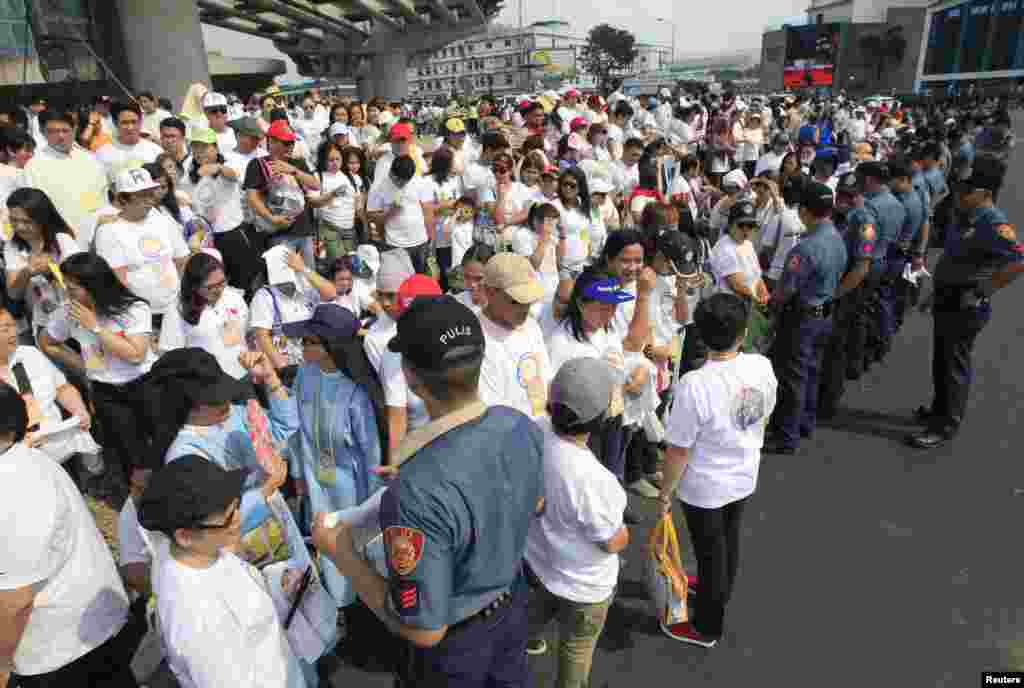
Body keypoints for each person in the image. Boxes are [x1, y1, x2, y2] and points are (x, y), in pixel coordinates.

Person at [312, 295, 544, 688]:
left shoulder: (416, 491)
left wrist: (339, 550)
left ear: (411, 376)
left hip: (457, 645)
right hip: (510, 606)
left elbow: (423, 629)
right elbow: (534, 504)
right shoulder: (518, 424)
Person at [657, 293, 778, 647]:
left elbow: (679, 448)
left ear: (703, 334)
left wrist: (665, 492)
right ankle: (719, 591)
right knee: (728, 539)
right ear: (741, 334)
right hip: (744, 470)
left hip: (705, 483)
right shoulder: (760, 366)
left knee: (710, 551)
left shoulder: (696, 383)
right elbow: (765, 411)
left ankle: (707, 626)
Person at [0, 386, 137, 688]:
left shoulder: (8, 488)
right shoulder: (27, 460)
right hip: (90, 628)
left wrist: (1, 664)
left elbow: (16, 598)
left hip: (60, 651)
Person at [136, 455, 308, 688]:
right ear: (185, 536)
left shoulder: (186, 551)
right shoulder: (199, 619)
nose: (238, 518)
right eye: (227, 518)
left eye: (236, 505)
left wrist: (277, 583)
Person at [524, 357, 628, 683]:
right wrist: (625, 536)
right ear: (598, 420)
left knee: (527, 623)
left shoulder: (534, 432)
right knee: (575, 653)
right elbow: (610, 541)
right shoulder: (596, 480)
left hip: (540, 566)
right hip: (585, 587)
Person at [909, 155, 1023, 449]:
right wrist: (936, 292)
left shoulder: (993, 222)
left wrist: (984, 290)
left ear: (984, 193)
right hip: (948, 297)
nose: (959, 194)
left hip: (966, 303)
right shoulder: (966, 216)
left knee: (954, 364)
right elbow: (954, 260)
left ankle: (946, 424)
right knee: (941, 360)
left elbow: (1018, 260)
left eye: (966, 190)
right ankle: (938, 409)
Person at [281, 303, 384, 606]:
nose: (301, 346)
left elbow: (371, 455)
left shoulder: (356, 393)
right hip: (316, 483)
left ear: (330, 347)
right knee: (326, 552)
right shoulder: (306, 375)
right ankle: (339, 608)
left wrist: (372, 509)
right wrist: (298, 472)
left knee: (353, 551)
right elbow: (298, 427)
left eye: (309, 341)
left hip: (351, 492)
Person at [40, 252, 156, 482]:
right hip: (107, 392)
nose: (67, 293)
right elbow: (47, 342)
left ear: (95, 285)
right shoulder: (68, 312)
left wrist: (95, 327)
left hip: (145, 385)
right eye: (67, 286)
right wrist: (83, 366)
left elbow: (135, 354)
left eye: (73, 288)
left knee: (159, 443)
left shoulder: (133, 308)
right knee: (130, 454)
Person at [765, 182, 847, 455]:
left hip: (802, 318)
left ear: (804, 210)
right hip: (825, 313)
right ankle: (805, 423)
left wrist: (771, 305)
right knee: (811, 371)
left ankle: (786, 435)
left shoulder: (804, 249)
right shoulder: (837, 238)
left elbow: (785, 291)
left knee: (792, 377)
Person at [93, 168, 189, 331]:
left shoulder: (163, 220)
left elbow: (182, 261)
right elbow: (117, 283)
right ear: (123, 198)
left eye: (151, 193)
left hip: (175, 311)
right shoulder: (109, 231)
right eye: (142, 195)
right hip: (140, 318)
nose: (150, 199)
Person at [477, 253, 552, 419]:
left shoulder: (531, 325)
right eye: (516, 301)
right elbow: (492, 408)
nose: (525, 308)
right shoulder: (477, 340)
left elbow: (546, 375)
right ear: (489, 292)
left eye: (529, 300)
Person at [4, 188, 81, 347]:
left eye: (26, 221)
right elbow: (13, 293)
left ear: (42, 218)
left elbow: (82, 280)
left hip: (75, 318)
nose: (19, 227)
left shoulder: (62, 240)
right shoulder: (12, 248)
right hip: (44, 323)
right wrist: (27, 272)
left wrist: (53, 270)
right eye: (13, 220)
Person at [243, 119, 321, 268]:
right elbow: (252, 198)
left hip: (304, 232)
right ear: (271, 142)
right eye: (286, 143)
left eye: (292, 142)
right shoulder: (257, 164)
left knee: (309, 279)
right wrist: (272, 218)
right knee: (284, 281)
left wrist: (292, 170)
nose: (290, 147)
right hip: (280, 234)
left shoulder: (298, 162)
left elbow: (315, 185)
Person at [159, 251, 249, 378]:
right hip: (207, 385)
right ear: (194, 286)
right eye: (210, 287)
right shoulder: (176, 310)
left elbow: (249, 335)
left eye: (222, 282)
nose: (218, 290)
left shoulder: (234, 298)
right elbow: (170, 357)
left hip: (243, 375)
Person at [21, 109, 108, 239]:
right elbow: (35, 209)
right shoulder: (34, 166)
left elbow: (103, 197)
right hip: (61, 237)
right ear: (42, 132)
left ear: (74, 130)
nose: (61, 136)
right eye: (53, 132)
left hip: (98, 232)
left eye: (65, 130)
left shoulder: (90, 159)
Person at [366, 155, 435, 274]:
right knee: (397, 284)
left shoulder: (419, 182)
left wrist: (430, 238)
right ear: (391, 171)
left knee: (419, 281)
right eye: (396, 179)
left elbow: (428, 210)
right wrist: (389, 213)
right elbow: (371, 215)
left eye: (404, 182)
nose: (399, 184)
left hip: (420, 243)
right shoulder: (378, 186)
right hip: (394, 244)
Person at [94, 101, 164, 182]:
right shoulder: (102, 153)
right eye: (124, 123)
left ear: (141, 121)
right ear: (115, 123)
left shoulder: (156, 151)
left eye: (134, 122)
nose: (130, 127)